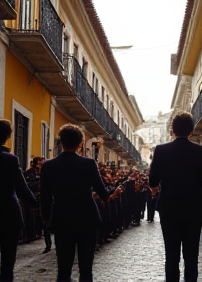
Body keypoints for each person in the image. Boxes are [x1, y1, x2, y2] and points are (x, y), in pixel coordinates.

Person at [40, 124, 122, 282]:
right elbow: (103, 193)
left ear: (61, 142)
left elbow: (45, 196)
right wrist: (115, 193)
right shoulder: (88, 164)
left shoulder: (48, 166)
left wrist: (46, 218)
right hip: (87, 219)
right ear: (80, 143)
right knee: (86, 269)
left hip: (62, 219)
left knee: (63, 268)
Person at [149, 112, 202, 282]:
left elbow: (153, 181)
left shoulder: (161, 150)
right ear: (192, 130)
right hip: (193, 208)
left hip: (169, 208)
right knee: (191, 256)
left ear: (173, 129)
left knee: (171, 255)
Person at [0, 119, 38, 282]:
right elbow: (22, 189)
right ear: (7, 136)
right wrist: (38, 205)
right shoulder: (10, 160)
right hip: (7, 214)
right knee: (8, 262)